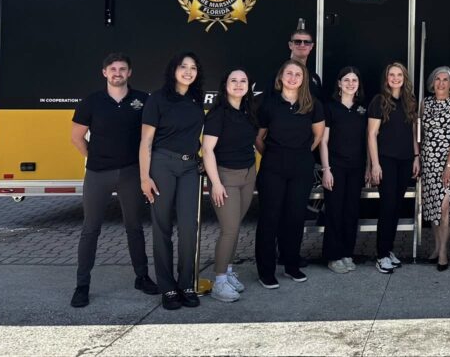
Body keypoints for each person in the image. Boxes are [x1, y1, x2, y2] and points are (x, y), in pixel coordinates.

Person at [69, 53, 157, 308]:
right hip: (98, 174)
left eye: (122, 69)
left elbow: (149, 139)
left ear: (129, 73)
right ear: (104, 73)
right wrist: (94, 157)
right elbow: (76, 137)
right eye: (113, 69)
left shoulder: (143, 100)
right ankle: (82, 285)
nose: (117, 72)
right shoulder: (91, 102)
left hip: (131, 173)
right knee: (90, 230)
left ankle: (142, 277)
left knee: (134, 228)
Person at [139, 53, 206, 310]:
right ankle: (168, 288)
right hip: (162, 165)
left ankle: (186, 284)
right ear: (173, 70)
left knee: (189, 227)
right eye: (183, 67)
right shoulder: (157, 99)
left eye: (193, 67)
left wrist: (198, 155)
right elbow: (145, 142)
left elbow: (191, 134)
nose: (188, 71)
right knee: (162, 226)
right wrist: (145, 177)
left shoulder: (195, 99)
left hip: (190, 167)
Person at [255, 59, 325, 289]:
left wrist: (300, 153)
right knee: (269, 218)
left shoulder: (312, 104)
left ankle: (291, 265)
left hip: (301, 166)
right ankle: (266, 271)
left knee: (295, 217)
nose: (293, 78)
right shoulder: (269, 103)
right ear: (281, 77)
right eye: (289, 73)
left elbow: (317, 136)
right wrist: (276, 153)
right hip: (273, 166)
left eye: (298, 74)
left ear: (304, 79)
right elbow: (259, 137)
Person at [201, 68, 258, 303]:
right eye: (233, 81)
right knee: (229, 229)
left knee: (236, 226)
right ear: (225, 86)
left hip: (248, 175)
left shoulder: (248, 111)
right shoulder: (218, 114)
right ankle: (220, 280)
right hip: (226, 177)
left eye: (243, 81)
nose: (238, 85)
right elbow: (207, 150)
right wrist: (215, 183)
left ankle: (229, 270)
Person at [368, 62, 420, 274]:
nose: (396, 78)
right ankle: (381, 255)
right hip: (386, 160)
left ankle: (388, 250)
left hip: (406, 160)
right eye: (392, 75)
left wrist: (416, 157)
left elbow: (413, 133)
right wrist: (375, 164)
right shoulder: (379, 101)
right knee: (387, 207)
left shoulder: (409, 102)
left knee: (397, 207)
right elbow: (371, 135)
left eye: (399, 75)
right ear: (386, 78)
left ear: (404, 78)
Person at [320, 67, 368, 274]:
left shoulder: (362, 110)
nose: (350, 83)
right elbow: (323, 141)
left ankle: (347, 253)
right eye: (346, 80)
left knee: (351, 211)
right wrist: (326, 169)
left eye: (354, 80)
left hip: (356, 168)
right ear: (339, 84)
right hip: (336, 167)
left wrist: (367, 167)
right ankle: (333, 256)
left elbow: (366, 141)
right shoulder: (329, 108)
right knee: (334, 212)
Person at [419, 67, 450, 270]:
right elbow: (419, 133)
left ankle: (444, 252)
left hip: (447, 161)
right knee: (432, 207)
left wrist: (448, 166)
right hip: (428, 162)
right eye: (437, 79)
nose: (440, 83)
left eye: (445, 80)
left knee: (444, 206)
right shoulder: (425, 103)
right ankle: (436, 248)